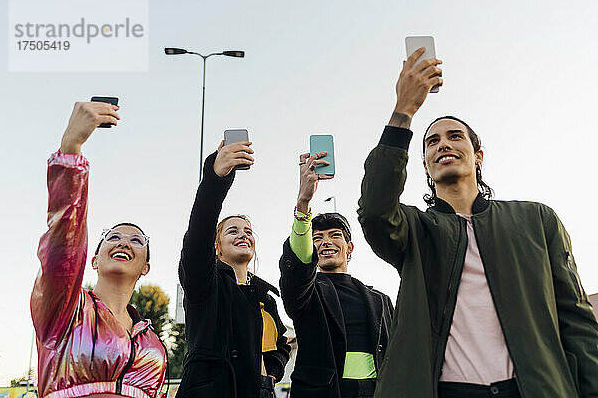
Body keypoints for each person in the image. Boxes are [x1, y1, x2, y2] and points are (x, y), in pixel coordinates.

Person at [357, 47, 598, 398]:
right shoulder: (414, 229)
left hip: (533, 389)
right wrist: (404, 110)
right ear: (424, 165)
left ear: (478, 155)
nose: (444, 144)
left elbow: (576, 321)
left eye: (455, 137)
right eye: (432, 141)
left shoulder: (537, 219)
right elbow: (375, 210)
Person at [31, 101, 168, 398]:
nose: (123, 242)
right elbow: (63, 242)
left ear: (146, 267)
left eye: (136, 240)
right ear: (93, 260)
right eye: (113, 237)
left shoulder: (152, 341)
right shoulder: (66, 310)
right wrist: (71, 148)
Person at [177, 141, 291, 398]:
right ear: (216, 246)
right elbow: (198, 234)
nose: (243, 235)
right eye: (233, 230)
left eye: (248, 231)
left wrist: (272, 371)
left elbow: (282, 342)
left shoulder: (265, 297)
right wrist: (215, 180)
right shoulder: (205, 283)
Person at [278, 152, 394, 398]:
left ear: (349, 247)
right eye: (317, 238)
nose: (325, 242)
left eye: (334, 235)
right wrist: (303, 204)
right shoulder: (306, 292)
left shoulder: (381, 300)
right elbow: (297, 269)